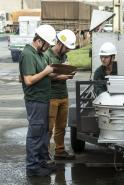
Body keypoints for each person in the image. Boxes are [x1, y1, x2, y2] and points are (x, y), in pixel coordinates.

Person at [19, 24, 56, 176]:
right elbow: (28, 80)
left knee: (42, 133)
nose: (48, 48)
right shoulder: (28, 54)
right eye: (47, 44)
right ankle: (32, 167)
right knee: (35, 134)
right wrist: (47, 70)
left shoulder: (39, 54)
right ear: (40, 41)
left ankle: (41, 163)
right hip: (35, 101)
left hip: (42, 99)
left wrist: (58, 73)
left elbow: (41, 75)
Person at [44, 29, 76, 160]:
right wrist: (61, 76)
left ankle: (60, 150)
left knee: (61, 126)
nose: (68, 50)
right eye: (67, 47)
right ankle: (44, 153)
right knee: (49, 128)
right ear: (60, 43)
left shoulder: (64, 56)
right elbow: (45, 74)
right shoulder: (46, 55)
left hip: (64, 95)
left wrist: (68, 73)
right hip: (51, 96)